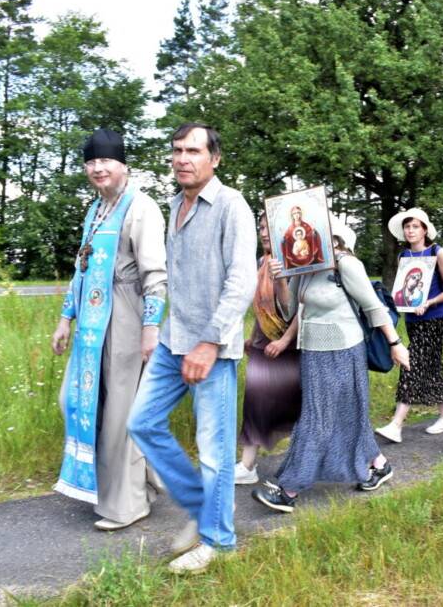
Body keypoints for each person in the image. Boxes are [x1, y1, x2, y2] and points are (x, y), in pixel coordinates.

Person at [127, 123, 257, 574]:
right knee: (141, 422)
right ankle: (204, 508)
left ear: (214, 159)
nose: (183, 158)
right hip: (172, 339)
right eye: (178, 150)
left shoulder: (231, 205)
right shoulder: (174, 205)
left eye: (194, 151)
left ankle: (219, 542)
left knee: (215, 451)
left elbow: (242, 281)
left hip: (211, 347)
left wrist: (209, 342)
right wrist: (157, 330)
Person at [50, 129, 167, 532]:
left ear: (122, 166)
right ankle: (140, 482)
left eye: (105, 161)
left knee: (120, 412)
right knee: (76, 401)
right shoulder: (96, 208)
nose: (98, 169)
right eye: (91, 163)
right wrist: (65, 318)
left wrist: (151, 326)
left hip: (126, 314)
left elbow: (156, 273)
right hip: (92, 320)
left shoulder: (141, 207)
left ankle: (127, 505)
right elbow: (81, 269)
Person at [252, 216, 410, 513]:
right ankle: (380, 465)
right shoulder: (303, 267)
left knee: (317, 418)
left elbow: (373, 307)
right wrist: (282, 278)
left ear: (330, 236)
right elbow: (289, 310)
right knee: (347, 413)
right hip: (313, 352)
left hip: (343, 351)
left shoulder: (345, 264)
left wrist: (395, 343)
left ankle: (289, 489)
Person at [375, 208, 443, 443]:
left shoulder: (437, 252)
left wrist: (429, 302)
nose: (410, 231)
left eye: (415, 226)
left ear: (424, 230)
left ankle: (396, 424)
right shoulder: (404, 256)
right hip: (413, 320)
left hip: (435, 319)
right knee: (433, 366)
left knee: (411, 364)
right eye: (407, 227)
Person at [235, 214, 303, 485]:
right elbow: (261, 305)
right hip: (263, 347)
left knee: (294, 406)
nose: (263, 232)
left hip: (288, 348)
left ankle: (305, 461)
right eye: (261, 227)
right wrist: (252, 336)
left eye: (269, 228)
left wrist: (284, 340)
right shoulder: (260, 263)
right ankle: (248, 465)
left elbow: (296, 308)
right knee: (254, 404)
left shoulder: (296, 262)